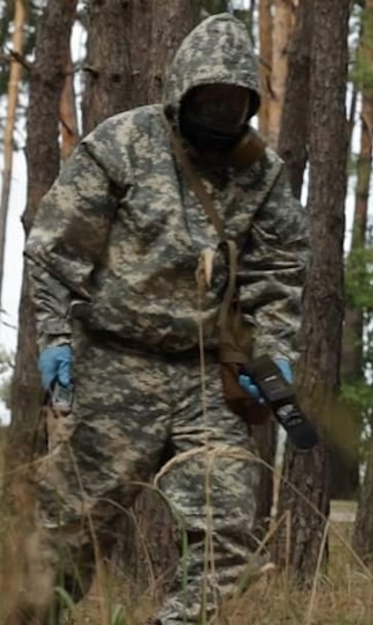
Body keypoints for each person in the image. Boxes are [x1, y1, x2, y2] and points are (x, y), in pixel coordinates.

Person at [14, 12, 308, 625]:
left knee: (228, 541)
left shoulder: (263, 173)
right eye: (211, 100)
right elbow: (55, 251)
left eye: (235, 103)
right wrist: (55, 338)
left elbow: (278, 275)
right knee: (65, 536)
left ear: (250, 104)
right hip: (113, 364)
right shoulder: (122, 144)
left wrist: (275, 350)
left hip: (208, 377)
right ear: (182, 92)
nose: (221, 114)